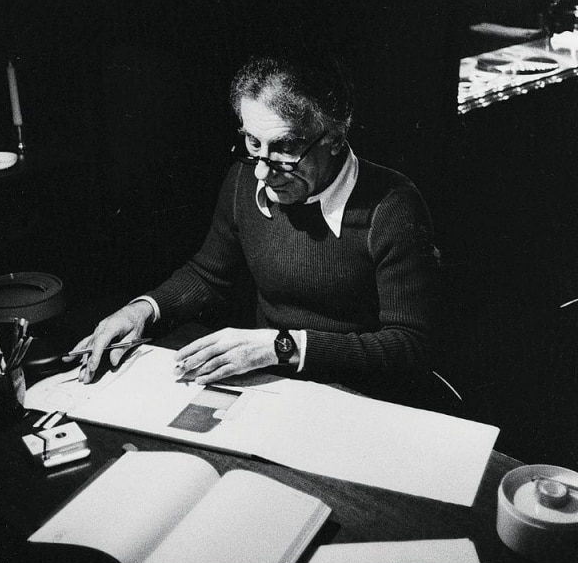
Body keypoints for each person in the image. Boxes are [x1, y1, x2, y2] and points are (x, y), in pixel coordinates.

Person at [67, 51, 437, 400]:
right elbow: (209, 274)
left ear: (336, 138)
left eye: (285, 148)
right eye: (252, 141)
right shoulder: (244, 179)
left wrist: (283, 347)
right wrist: (143, 310)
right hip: (272, 383)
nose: (261, 171)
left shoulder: (393, 206)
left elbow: (410, 345)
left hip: (361, 396)